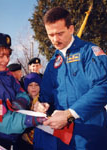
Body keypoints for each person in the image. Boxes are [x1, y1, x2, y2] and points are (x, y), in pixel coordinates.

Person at [33, 7, 107, 150]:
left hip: (92, 135)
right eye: (51, 35)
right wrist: (42, 105)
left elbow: (103, 86)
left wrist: (70, 114)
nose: (55, 39)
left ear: (71, 29)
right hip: (64, 139)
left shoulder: (89, 52)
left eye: (60, 33)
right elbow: (46, 96)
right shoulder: (52, 64)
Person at [0, 33, 46, 150]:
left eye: (8, 55)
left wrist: (20, 102)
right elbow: (0, 122)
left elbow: (22, 92)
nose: (6, 60)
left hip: (15, 138)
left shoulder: (8, 75)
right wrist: (31, 120)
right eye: (1, 56)